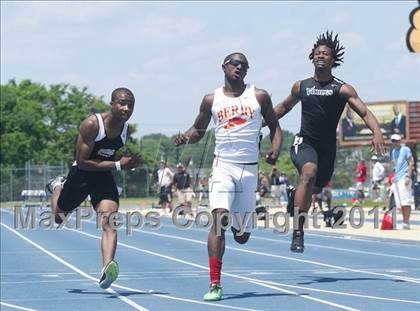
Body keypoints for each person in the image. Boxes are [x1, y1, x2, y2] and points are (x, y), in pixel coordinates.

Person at [174, 52, 282, 301]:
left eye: (244, 65)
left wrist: (275, 150)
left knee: (242, 236)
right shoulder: (212, 99)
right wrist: (185, 138)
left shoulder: (259, 96)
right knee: (218, 219)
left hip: (249, 170)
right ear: (223, 67)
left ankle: (239, 225)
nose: (239, 68)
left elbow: (275, 127)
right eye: (235, 63)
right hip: (223, 166)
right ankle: (215, 284)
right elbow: (198, 130)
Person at [272, 31, 385, 253]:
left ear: (333, 60)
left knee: (314, 186)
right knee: (308, 172)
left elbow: (364, 112)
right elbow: (283, 107)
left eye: (325, 53)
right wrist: (261, 122)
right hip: (304, 142)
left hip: (327, 148)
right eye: (317, 53)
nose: (321, 56)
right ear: (311, 57)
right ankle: (298, 232)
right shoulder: (301, 86)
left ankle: (295, 195)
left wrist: (377, 131)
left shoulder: (342, 89)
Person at [46, 88, 141, 289]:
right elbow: (82, 162)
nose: (126, 108)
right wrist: (118, 165)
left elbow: (111, 157)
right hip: (81, 174)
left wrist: (127, 163)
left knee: (110, 221)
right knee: (58, 218)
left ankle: (107, 269)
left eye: (130, 105)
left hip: (103, 177)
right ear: (112, 103)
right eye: (122, 103)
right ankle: (57, 186)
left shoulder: (126, 129)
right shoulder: (92, 124)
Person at [390, 134, 414, 229]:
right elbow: (396, 166)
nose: (395, 143)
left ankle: (406, 222)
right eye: (393, 141)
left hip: (404, 178)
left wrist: (408, 176)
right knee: (399, 204)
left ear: (400, 141)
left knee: (405, 202)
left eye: (396, 141)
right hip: (396, 179)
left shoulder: (405, 149)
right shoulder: (393, 152)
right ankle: (405, 222)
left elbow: (411, 162)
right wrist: (393, 176)